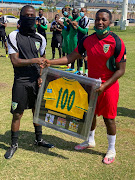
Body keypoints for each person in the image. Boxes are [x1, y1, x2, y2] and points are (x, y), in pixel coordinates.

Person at [44, 9, 126, 164]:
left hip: (109, 87)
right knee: (90, 115)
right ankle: (90, 141)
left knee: (109, 119)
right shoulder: (87, 40)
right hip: (91, 85)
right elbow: (70, 57)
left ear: (110, 22)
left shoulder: (117, 41)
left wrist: (104, 86)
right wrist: (50, 62)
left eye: (104, 20)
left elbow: (121, 70)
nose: (100, 22)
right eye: (97, 19)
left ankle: (111, 149)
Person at [4, 5, 54, 160]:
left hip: (35, 81)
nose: (30, 18)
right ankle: (14, 144)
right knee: (17, 114)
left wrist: (41, 76)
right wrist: (34, 60)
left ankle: (39, 140)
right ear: (21, 17)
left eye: (32, 16)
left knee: (37, 112)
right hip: (21, 80)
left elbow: (43, 62)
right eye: (26, 16)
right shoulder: (13, 35)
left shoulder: (41, 38)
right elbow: (15, 61)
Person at [72, 7, 90, 76]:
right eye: (81, 11)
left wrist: (77, 26)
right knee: (79, 55)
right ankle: (80, 70)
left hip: (85, 39)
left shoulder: (86, 20)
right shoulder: (79, 20)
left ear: (85, 12)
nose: (81, 13)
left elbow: (85, 31)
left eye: (83, 11)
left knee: (85, 57)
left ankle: (86, 72)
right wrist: (75, 26)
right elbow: (78, 29)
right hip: (79, 39)